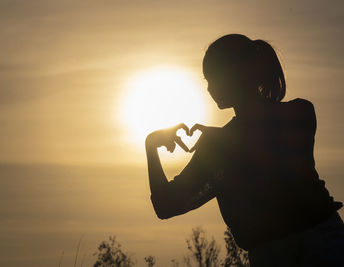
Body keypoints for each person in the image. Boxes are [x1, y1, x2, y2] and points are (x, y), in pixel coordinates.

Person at [145, 34, 344, 266]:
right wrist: (151, 145)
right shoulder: (218, 144)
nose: (209, 88)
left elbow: (272, 158)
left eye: (214, 78)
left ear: (237, 74)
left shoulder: (297, 112)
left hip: (321, 244)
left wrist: (222, 139)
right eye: (206, 80)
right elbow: (167, 205)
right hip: (275, 254)